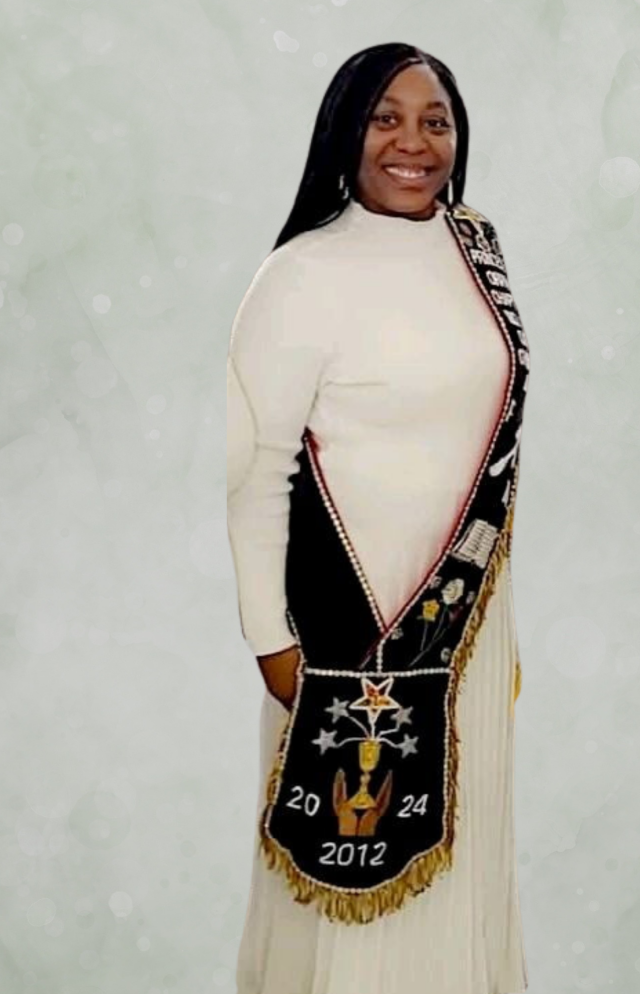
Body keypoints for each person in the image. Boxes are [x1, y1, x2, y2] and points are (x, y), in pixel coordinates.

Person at [226, 42, 529, 994]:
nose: (413, 142)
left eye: (435, 122)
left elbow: (490, 453)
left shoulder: (478, 250)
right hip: (344, 631)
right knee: (344, 894)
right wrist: (269, 639)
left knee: (462, 872)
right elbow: (256, 472)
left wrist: (504, 637)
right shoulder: (299, 274)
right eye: (385, 118)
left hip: (464, 630)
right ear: (344, 133)